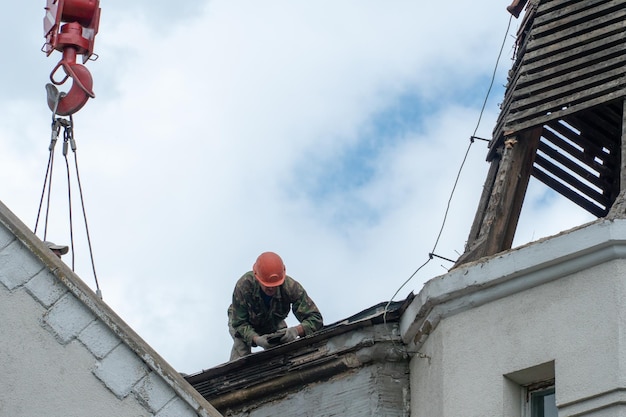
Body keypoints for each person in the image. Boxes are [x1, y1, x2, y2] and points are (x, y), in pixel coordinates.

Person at [228, 251, 323, 361]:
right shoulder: (244, 286)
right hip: (244, 323)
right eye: (266, 285)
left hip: (273, 322)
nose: (271, 288)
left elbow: (315, 319)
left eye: (275, 285)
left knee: (285, 350)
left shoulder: (291, 288)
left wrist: (296, 331)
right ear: (257, 277)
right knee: (240, 351)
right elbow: (239, 324)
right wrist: (257, 339)